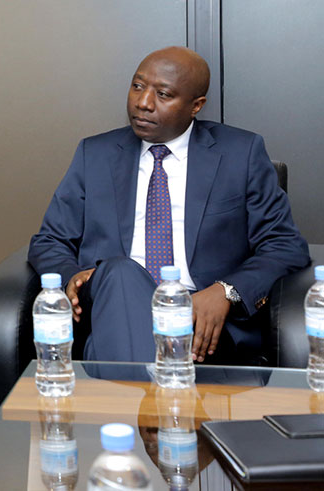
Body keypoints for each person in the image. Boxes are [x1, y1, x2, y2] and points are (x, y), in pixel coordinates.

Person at [28, 46, 309, 364]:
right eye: (137, 86)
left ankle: (129, 408)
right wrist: (72, 276)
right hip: (111, 301)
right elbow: (49, 240)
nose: (143, 103)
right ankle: (159, 403)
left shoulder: (240, 154)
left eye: (163, 94)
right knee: (118, 272)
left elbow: (285, 245)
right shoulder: (95, 154)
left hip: (199, 319)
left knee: (129, 322)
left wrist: (226, 290)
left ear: (196, 105)